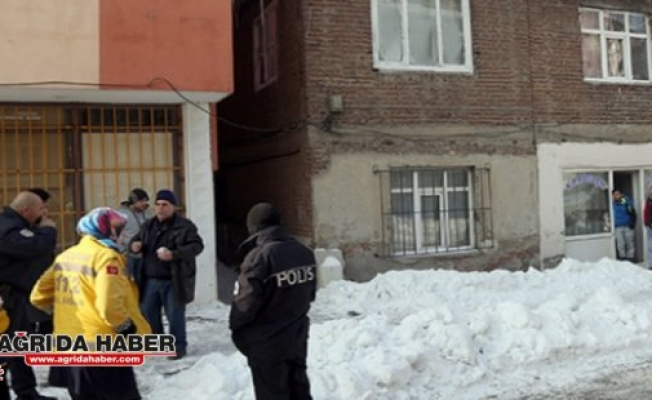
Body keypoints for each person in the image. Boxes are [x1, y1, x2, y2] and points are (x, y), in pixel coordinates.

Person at [30, 207, 151, 400]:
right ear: (105, 230)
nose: (121, 235)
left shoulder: (66, 256)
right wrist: (125, 326)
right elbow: (108, 305)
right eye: (118, 229)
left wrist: (63, 310)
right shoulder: (106, 257)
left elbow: (38, 295)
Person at [230, 202, 317, 400]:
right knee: (299, 391)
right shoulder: (304, 252)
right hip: (297, 337)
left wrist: (239, 333)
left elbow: (244, 305)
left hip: (267, 344)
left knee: (272, 393)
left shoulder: (258, 258)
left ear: (254, 228)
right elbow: (310, 294)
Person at [130, 189, 203, 360]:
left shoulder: (185, 226)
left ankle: (178, 347)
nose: (160, 208)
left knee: (174, 315)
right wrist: (134, 246)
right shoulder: (148, 225)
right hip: (150, 279)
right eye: (158, 204)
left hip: (174, 280)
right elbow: (134, 241)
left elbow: (196, 246)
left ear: (173, 207)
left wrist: (173, 254)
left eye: (165, 204)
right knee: (149, 313)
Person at [0, 191, 57, 400]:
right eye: (41, 209)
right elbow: (35, 247)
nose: (45, 213)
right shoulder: (8, 228)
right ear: (26, 210)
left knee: (19, 348)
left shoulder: (17, 225)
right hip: (6, 302)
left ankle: (26, 392)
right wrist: (48, 230)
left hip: (17, 300)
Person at [118, 188, 152, 285]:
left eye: (146, 201)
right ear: (133, 202)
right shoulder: (122, 215)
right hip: (128, 255)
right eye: (141, 201)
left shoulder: (148, 213)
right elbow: (116, 234)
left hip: (145, 255)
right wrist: (122, 251)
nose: (144, 203)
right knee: (129, 283)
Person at [612, 189, 637, 262]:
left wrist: (632, 225)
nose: (616, 196)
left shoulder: (626, 202)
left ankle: (630, 260)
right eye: (614, 195)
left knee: (630, 243)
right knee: (620, 244)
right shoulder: (613, 204)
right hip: (618, 227)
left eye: (617, 194)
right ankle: (622, 260)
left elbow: (633, 213)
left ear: (621, 194)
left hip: (627, 226)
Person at [644, 185, 652, 270]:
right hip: (650, 226)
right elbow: (646, 211)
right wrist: (646, 222)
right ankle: (650, 264)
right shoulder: (648, 200)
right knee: (650, 246)